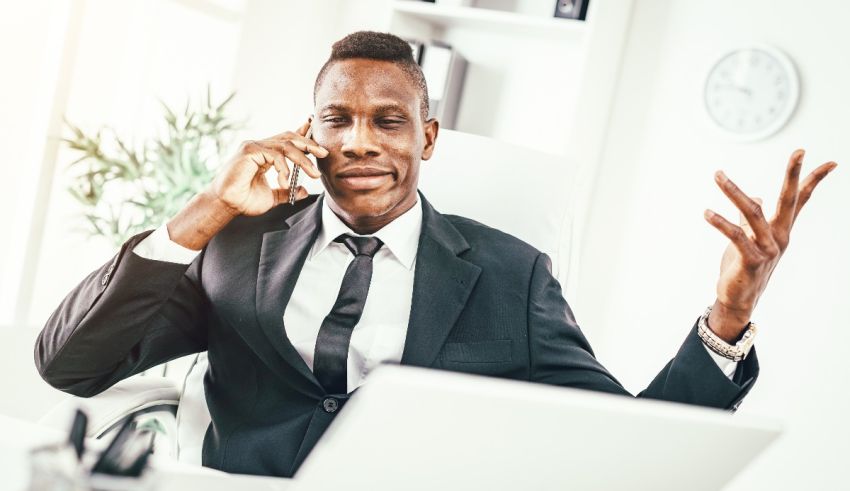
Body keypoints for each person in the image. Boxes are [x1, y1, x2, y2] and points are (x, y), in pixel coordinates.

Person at [34, 31, 836, 477]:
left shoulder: (511, 276)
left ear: (428, 136)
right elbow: (72, 364)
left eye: (388, 121)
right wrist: (203, 213)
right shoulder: (237, 248)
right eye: (336, 119)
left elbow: (629, 441)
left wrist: (728, 317)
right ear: (307, 133)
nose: (359, 143)